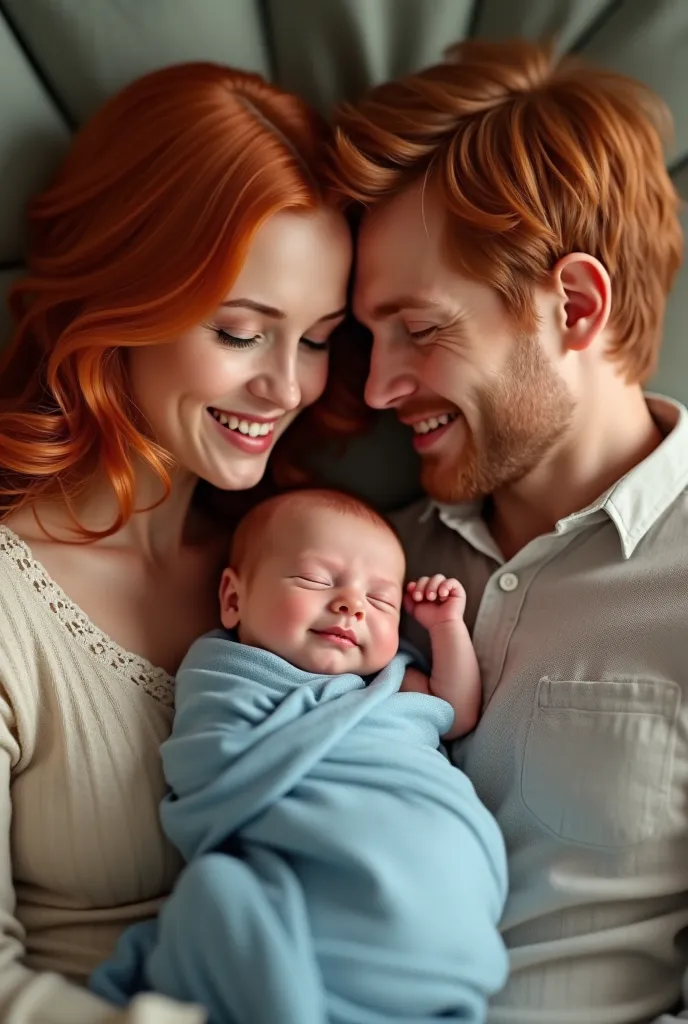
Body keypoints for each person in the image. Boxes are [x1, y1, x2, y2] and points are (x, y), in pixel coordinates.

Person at [329, 36, 688, 1024]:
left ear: (573, 305)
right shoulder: (359, 562)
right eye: (366, 336)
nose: (376, 388)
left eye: (421, 328)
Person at [0, 61, 368, 1023]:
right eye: (242, 333)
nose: (289, 387)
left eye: (320, 336)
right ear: (124, 297)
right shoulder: (11, 608)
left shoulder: (316, 564)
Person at [90, 487, 508, 1024]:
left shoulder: (397, 679)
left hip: (444, 895)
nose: (351, 604)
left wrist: (446, 628)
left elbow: (459, 710)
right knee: (216, 896)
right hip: (322, 882)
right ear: (234, 600)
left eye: (380, 600)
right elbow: (214, 765)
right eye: (316, 580)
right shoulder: (225, 674)